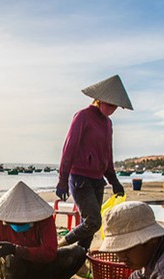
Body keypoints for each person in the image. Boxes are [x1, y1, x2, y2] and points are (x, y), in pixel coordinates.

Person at [56, 74, 132, 249]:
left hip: (98, 180)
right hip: (80, 178)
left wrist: (115, 181)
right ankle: (60, 246)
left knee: (89, 225)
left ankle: (79, 258)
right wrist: (62, 180)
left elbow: (107, 155)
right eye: (110, 104)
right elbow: (69, 148)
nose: (112, 109)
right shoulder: (83, 116)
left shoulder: (108, 124)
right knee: (93, 222)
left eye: (116, 106)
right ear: (99, 100)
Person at [0, 181, 87, 279]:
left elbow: (50, 253)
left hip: (43, 270)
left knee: (79, 252)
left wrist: (16, 249)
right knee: (11, 257)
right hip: (13, 274)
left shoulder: (45, 221)